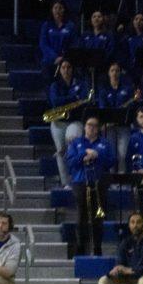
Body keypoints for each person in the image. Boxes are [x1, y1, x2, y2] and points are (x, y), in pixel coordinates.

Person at [66, 115, 115, 256]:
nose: (91, 128)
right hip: (80, 181)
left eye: (94, 125)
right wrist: (84, 154)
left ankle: (97, 248)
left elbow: (112, 161)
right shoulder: (76, 143)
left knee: (97, 218)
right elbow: (70, 163)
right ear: (85, 127)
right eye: (89, 125)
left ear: (98, 128)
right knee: (81, 216)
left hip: (99, 182)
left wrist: (97, 155)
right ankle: (81, 247)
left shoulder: (104, 143)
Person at [47, 58, 90, 187]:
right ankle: (66, 183)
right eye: (63, 67)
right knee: (61, 151)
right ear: (59, 70)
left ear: (72, 69)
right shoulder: (55, 85)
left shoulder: (81, 83)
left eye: (69, 67)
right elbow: (55, 102)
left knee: (72, 143)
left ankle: (77, 177)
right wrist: (73, 99)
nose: (66, 70)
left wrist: (68, 101)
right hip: (58, 121)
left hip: (75, 120)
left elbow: (83, 100)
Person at [39, 0, 78, 76]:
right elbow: (43, 44)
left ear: (64, 10)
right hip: (49, 61)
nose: (58, 11)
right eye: (55, 8)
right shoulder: (46, 25)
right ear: (52, 10)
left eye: (60, 8)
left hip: (66, 61)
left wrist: (64, 58)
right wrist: (55, 57)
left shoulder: (71, 26)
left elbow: (74, 44)